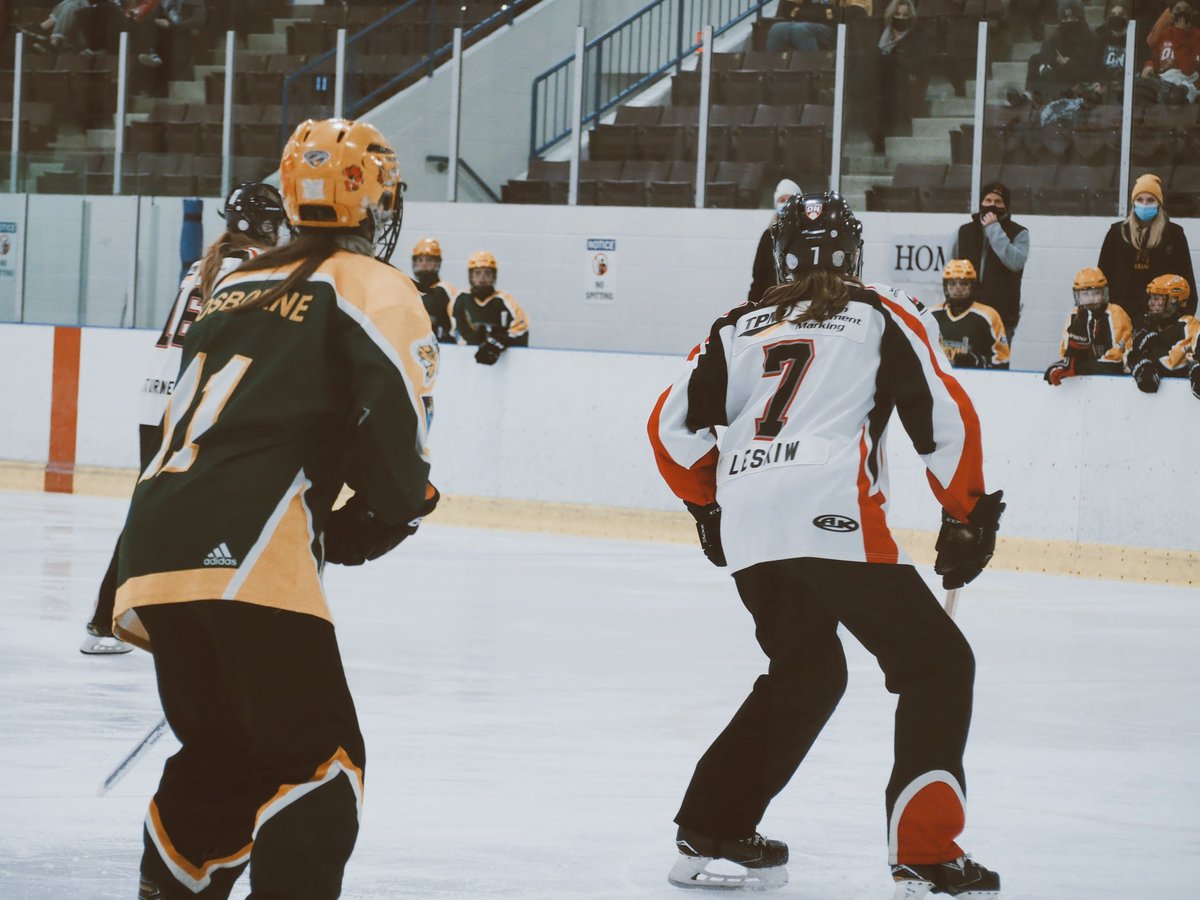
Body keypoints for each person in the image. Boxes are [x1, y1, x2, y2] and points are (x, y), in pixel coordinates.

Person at [112, 117, 440, 899]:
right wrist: (393, 512)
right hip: (250, 550)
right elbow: (396, 439)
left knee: (219, 760)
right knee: (318, 764)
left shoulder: (233, 285)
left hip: (153, 541)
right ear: (379, 201)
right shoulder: (376, 287)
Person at [648, 191, 1004, 897]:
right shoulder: (880, 310)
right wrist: (966, 514)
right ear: (855, 253)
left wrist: (709, 506)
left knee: (808, 673)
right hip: (832, 510)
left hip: (751, 517)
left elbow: (668, 428)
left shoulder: (735, 326)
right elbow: (941, 412)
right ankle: (927, 855)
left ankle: (713, 827)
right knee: (936, 663)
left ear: (780, 252)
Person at [81, 181, 288, 656]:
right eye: (274, 221)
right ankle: (124, 618)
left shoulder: (205, 263)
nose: (279, 231)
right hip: (192, 398)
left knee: (157, 508)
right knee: (202, 507)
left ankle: (111, 619)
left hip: (157, 396)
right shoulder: (254, 265)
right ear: (258, 224)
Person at [1098, 174, 1196, 330]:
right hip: (1120, 317)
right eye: (1140, 200)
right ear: (1133, 203)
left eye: (1150, 200)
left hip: (1161, 318)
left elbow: (1186, 281)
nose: (1145, 204)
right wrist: (1100, 318)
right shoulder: (1117, 233)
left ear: (1159, 204)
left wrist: (1183, 322)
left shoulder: (1173, 235)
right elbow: (1102, 278)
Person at [951, 181, 1029, 343]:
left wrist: (994, 229)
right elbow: (951, 268)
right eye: (988, 200)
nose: (992, 204)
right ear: (981, 203)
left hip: (1002, 315)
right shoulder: (964, 231)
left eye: (998, 201)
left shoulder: (1019, 233)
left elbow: (1015, 262)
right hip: (966, 311)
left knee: (998, 362)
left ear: (1006, 206)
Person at [1044, 267, 1133, 384]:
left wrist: (1078, 367)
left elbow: (1116, 363)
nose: (1091, 299)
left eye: (1096, 293)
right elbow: (1067, 359)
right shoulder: (1074, 316)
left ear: (1104, 294)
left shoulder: (1115, 313)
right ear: (1078, 296)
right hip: (1086, 382)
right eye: (1085, 294)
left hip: (1119, 383)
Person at [871, 0, 929, 155]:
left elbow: (918, 63)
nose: (900, 18)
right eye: (897, 14)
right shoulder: (880, 35)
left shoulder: (917, 36)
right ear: (891, 15)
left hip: (902, 83)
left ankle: (884, 141)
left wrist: (892, 58)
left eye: (905, 15)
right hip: (879, 84)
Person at [451, 250, 529, 365]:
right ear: (470, 276)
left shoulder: (504, 300)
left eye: (487, 273)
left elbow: (521, 329)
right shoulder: (461, 299)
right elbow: (456, 330)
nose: (482, 279)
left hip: (502, 365)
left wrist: (498, 341)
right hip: (465, 363)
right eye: (477, 273)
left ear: (494, 276)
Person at [931, 259, 1010, 370]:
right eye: (953, 283)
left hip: (975, 382)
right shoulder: (931, 315)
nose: (958, 288)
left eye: (964, 283)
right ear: (946, 287)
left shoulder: (988, 316)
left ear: (972, 286)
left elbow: (1003, 359)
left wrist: (977, 361)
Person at [1128, 273, 1200, 394]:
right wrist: (1142, 365)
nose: (1150, 304)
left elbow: (1172, 364)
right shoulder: (1149, 325)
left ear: (1175, 300)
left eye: (1157, 299)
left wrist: (1153, 347)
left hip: (1181, 396)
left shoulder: (1189, 325)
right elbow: (1128, 359)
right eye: (1151, 298)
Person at [747, 178, 800, 304]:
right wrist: (752, 306)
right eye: (781, 200)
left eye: (789, 200)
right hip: (772, 303)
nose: (785, 203)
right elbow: (758, 278)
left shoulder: (807, 236)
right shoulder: (768, 236)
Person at [410, 237, 459, 344]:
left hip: (444, 349)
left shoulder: (446, 290)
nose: (424, 264)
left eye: (429, 260)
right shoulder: (410, 290)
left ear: (438, 263)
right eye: (420, 260)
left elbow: (459, 325)